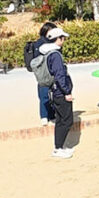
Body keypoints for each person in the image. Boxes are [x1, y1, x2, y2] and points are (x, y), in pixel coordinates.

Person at [41, 27, 75, 158]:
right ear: (58, 39)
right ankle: (58, 148)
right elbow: (60, 76)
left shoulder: (48, 53)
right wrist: (67, 91)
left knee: (61, 120)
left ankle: (59, 146)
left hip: (55, 92)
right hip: (60, 93)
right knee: (66, 121)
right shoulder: (55, 55)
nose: (64, 40)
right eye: (63, 38)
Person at [27, 22, 57, 126]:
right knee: (44, 95)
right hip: (43, 74)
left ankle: (51, 114)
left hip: (50, 73)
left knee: (51, 95)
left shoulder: (53, 42)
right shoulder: (40, 43)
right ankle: (44, 116)